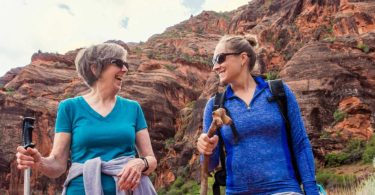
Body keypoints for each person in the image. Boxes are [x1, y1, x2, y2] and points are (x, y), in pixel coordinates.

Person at [16, 43, 157, 194]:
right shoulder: (69, 107)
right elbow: (58, 164)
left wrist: (140, 163)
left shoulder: (133, 108)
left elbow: (151, 159)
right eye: (118, 63)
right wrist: (40, 162)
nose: (125, 69)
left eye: (126, 64)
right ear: (95, 68)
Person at [197, 35, 319, 195]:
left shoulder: (280, 93)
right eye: (213, 61)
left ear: (242, 58)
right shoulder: (215, 106)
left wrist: (312, 191)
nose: (215, 67)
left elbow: (301, 145)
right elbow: (210, 164)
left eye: (220, 59)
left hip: (284, 190)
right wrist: (206, 149)